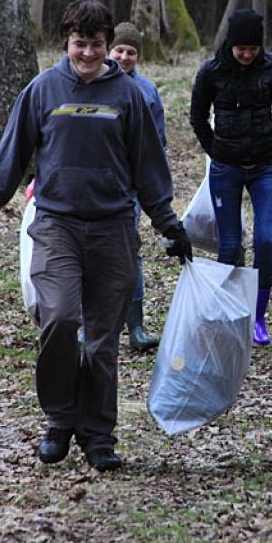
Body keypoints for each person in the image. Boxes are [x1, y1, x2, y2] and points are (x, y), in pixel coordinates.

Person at [0, 0, 192, 471]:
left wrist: (168, 223)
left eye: (97, 45)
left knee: (101, 340)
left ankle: (98, 435)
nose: (89, 54)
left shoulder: (128, 96)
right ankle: (59, 419)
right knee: (56, 319)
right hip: (56, 225)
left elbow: (149, 167)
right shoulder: (43, 90)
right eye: (80, 44)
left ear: (109, 46)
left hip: (114, 229)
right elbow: (11, 154)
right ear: (66, 44)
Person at [189, 8, 272, 346]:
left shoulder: (271, 67)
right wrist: (215, 150)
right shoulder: (211, 72)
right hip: (226, 168)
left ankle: (258, 318)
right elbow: (197, 117)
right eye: (241, 49)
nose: (247, 55)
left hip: (265, 166)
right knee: (230, 246)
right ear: (230, 44)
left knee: (266, 240)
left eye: (253, 49)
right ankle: (228, 314)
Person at [109, 21, 167, 352]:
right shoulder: (93, 85)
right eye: (119, 50)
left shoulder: (147, 91)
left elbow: (158, 141)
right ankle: (89, 325)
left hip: (130, 187)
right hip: (96, 185)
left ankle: (136, 326)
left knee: (130, 253)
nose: (124, 56)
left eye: (131, 52)